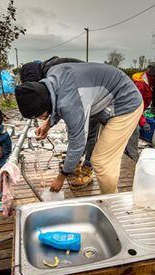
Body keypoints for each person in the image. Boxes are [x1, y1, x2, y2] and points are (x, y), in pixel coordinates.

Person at [15, 62, 143, 194]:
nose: (41, 119)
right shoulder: (53, 74)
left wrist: (62, 176)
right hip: (107, 99)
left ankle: (110, 202)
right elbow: (58, 97)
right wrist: (49, 123)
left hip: (126, 104)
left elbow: (77, 143)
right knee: (105, 156)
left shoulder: (71, 103)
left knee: (102, 161)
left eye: (40, 116)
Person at [19, 56, 95, 190]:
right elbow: (60, 104)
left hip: (93, 100)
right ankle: (74, 162)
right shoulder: (48, 72)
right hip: (79, 99)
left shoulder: (53, 72)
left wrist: (62, 176)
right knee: (75, 131)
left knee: (88, 134)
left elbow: (65, 103)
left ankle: (87, 169)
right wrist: (49, 123)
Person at [124, 62, 155, 161]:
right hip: (128, 111)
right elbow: (135, 106)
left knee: (130, 133)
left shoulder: (147, 82)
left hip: (136, 111)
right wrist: (142, 121)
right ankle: (133, 158)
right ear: (153, 76)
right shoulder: (140, 85)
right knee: (134, 131)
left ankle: (126, 154)